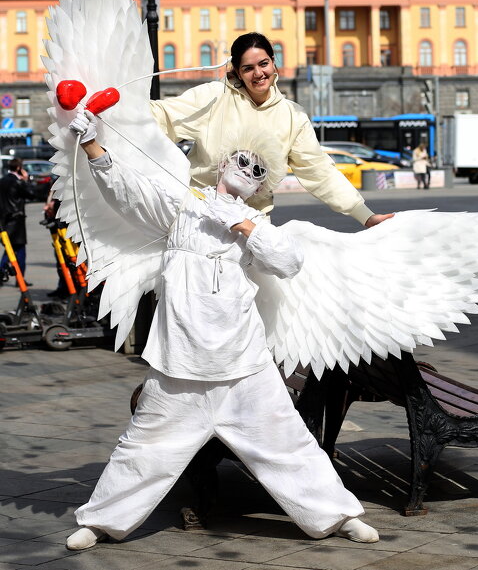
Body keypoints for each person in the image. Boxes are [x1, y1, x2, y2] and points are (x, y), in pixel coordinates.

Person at [65, 110, 379, 551]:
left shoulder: (258, 227)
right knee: (143, 449)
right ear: (223, 164)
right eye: (241, 160)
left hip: (243, 365)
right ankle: (99, 522)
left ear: (260, 187)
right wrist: (93, 145)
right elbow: (127, 192)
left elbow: (288, 261)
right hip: (180, 362)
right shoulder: (182, 207)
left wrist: (242, 224)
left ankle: (340, 517)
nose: (247, 169)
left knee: (289, 445)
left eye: (257, 170)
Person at [150, 32, 392, 230]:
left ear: (273, 62)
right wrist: (119, 109)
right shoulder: (214, 97)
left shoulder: (292, 116)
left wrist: (366, 216)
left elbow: (318, 170)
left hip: (252, 227)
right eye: (248, 68)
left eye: (263, 63)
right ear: (236, 70)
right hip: (198, 219)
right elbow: (162, 117)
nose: (258, 73)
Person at [0, 157, 33, 280]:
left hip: (5, 221)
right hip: (16, 222)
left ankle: (5, 274)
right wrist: (26, 180)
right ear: (19, 168)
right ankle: (20, 278)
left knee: (10, 249)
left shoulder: (2, 180)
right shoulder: (18, 182)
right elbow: (31, 194)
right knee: (19, 251)